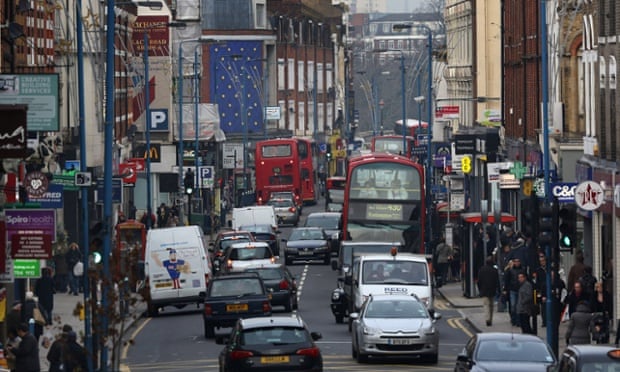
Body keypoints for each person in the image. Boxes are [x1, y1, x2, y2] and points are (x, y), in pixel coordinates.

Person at [478, 256, 500, 326]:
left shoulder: (482, 269)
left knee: (486, 305)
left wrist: (480, 290)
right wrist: (498, 289)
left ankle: (487, 319)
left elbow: (479, 281)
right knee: (491, 306)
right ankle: (490, 319)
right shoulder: (494, 270)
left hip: (484, 290)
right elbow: (497, 281)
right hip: (492, 290)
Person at [504, 257, 526, 327]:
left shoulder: (523, 270)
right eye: (515, 261)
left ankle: (518, 321)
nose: (517, 263)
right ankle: (513, 320)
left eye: (518, 261)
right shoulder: (510, 271)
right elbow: (507, 281)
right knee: (513, 306)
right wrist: (505, 289)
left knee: (519, 306)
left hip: (520, 290)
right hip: (512, 290)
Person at [533, 254, 548, 327]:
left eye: (543, 261)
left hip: (549, 289)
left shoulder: (549, 269)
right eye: (541, 261)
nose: (542, 262)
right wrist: (538, 292)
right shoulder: (538, 271)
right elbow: (537, 282)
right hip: (542, 290)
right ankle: (544, 321)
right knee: (543, 307)